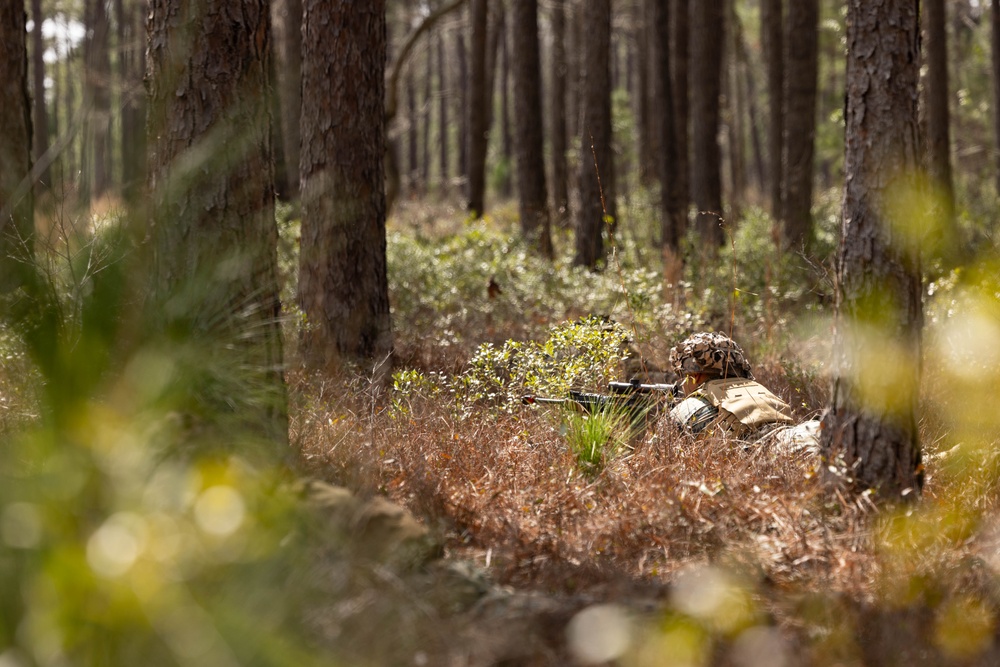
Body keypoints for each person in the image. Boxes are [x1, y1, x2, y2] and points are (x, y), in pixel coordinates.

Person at [666, 332, 820, 457]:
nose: (682, 383)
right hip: (810, 432)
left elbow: (663, 453)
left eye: (682, 376)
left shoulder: (693, 404)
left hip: (781, 453)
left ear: (694, 375)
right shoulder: (757, 388)